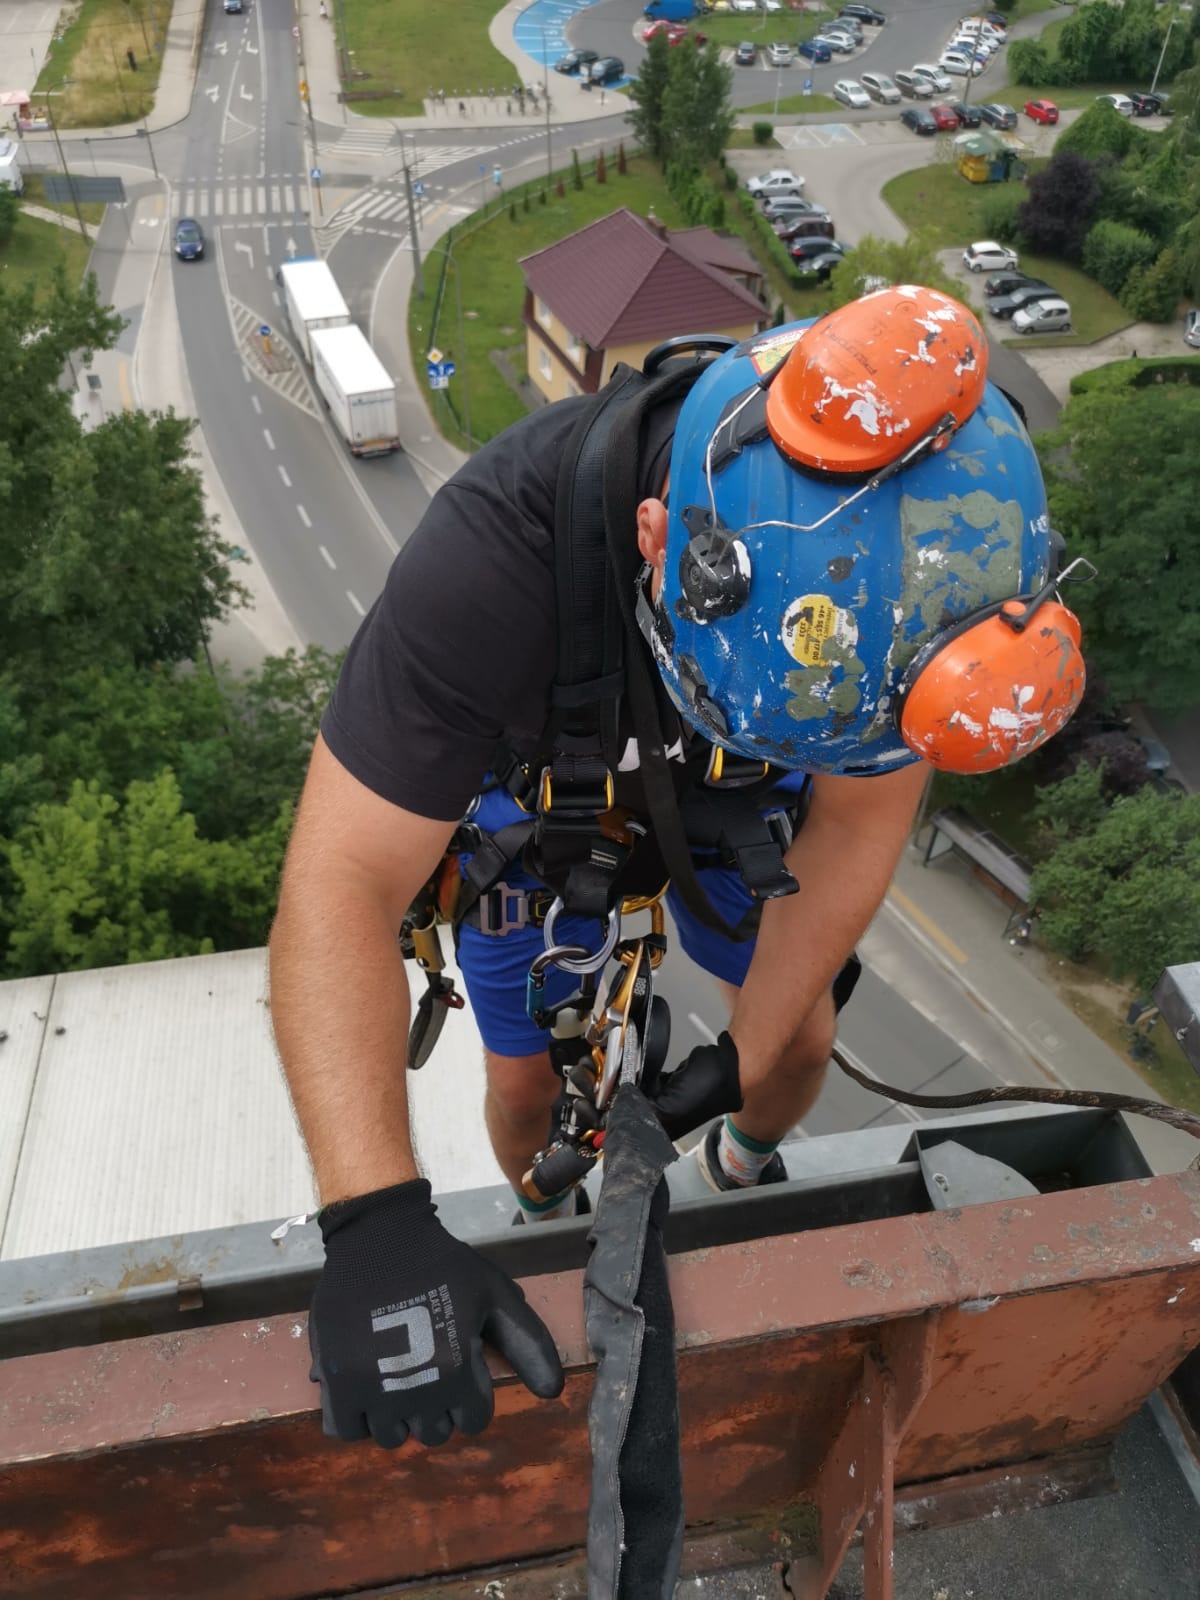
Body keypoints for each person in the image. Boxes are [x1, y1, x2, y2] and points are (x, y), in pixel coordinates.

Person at [269, 288, 1086, 1451]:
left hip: (746, 800)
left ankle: (745, 1171)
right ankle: (550, 1213)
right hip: (542, 809)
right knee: (523, 1093)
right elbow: (337, 882)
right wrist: (375, 1219)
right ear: (657, 537)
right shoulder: (495, 561)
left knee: (796, 1043)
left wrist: (736, 1066)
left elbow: (854, 824)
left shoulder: (928, 570)